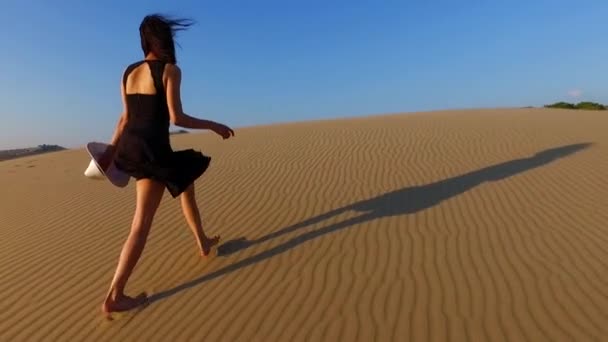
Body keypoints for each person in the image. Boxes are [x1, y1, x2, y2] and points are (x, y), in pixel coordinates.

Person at [98, 14, 235, 317]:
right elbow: (177, 118)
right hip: (151, 153)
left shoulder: (127, 72)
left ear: (144, 41)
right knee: (141, 224)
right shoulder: (170, 70)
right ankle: (115, 295)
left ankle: (202, 241)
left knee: (185, 178)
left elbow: (124, 118)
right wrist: (214, 125)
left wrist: (110, 151)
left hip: (131, 147)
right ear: (165, 40)